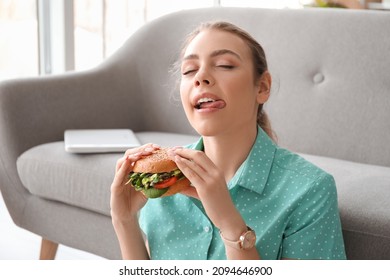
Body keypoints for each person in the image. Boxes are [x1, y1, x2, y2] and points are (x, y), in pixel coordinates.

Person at [110, 21, 346, 260]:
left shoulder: (310, 190)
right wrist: (124, 220)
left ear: (262, 87)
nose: (200, 77)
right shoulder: (163, 181)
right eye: (189, 70)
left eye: (224, 65)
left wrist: (231, 225)